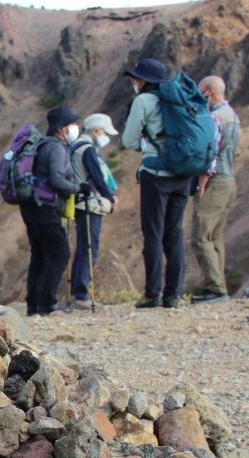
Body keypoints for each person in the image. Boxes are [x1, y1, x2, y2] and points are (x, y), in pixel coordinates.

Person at [121, 58, 190, 308]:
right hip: (183, 172)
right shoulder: (178, 98)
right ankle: (175, 293)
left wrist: (145, 142)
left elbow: (128, 140)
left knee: (153, 234)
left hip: (155, 174)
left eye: (135, 79)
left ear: (142, 81)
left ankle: (153, 293)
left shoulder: (143, 101)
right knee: (175, 232)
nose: (134, 83)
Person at [19, 106, 91, 316]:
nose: (76, 128)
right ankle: (47, 302)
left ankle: (34, 304)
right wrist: (79, 189)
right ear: (62, 128)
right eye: (73, 124)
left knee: (40, 253)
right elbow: (57, 180)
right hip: (45, 207)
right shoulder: (57, 148)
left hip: (31, 205)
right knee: (60, 252)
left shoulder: (41, 145)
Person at [191, 75, 240, 304]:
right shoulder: (233, 116)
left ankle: (216, 288)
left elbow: (211, 155)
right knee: (216, 236)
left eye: (201, 90)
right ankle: (218, 286)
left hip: (215, 181)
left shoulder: (214, 118)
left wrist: (201, 184)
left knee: (200, 237)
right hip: (229, 180)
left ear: (208, 91)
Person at [68, 113, 119, 309]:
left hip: (80, 204)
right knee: (89, 248)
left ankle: (77, 293)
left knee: (83, 246)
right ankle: (82, 295)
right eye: (105, 132)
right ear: (96, 130)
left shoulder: (76, 147)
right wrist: (110, 197)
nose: (106, 136)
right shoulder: (87, 149)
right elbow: (97, 177)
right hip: (90, 204)